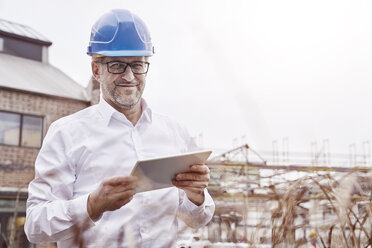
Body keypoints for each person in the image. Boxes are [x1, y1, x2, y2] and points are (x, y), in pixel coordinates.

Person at [24, 9, 215, 248]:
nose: (129, 76)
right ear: (96, 70)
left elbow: (199, 220)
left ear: (147, 65)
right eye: (116, 65)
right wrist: (91, 205)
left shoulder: (175, 133)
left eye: (137, 65)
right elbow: (34, 226)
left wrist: (196, 196)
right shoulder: (65, 134)